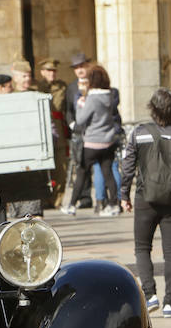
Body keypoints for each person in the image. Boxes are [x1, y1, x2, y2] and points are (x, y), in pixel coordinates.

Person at [120, 88, 171, 317]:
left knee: (142, 248)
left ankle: (150, 294)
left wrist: (124, 195)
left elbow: (128, 167)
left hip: (145, 198)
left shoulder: (139, 133)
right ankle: (170, 303)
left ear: (152, 109)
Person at [62, 65, 119, 215]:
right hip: (108, 141)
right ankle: (114, 204)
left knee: (81, 173)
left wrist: (81, 104)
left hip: (92, 142)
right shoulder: (109, 96)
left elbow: (80, 119)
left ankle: (71, 205)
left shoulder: (92, 98)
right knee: (108, 173)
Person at [37, 57, 69, 208]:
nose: (52, 73)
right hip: (41, 130)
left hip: (58, 130)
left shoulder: (62, 86)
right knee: (42, 170)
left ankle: (57, 200)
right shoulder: (36, 86)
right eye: (49, 71)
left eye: (54, 71)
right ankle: (42, 200)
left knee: (61, 168)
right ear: (42, 72)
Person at [64, 52, 94, 209]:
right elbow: (67, 109)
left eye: (82, 66)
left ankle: (106, 199)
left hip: (95, 129)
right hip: (79, 131)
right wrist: (72, 124)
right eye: (76, 67)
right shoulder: (71, 87)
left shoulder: (95, 82)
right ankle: (85, 197)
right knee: (81, 164)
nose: (80, 70)